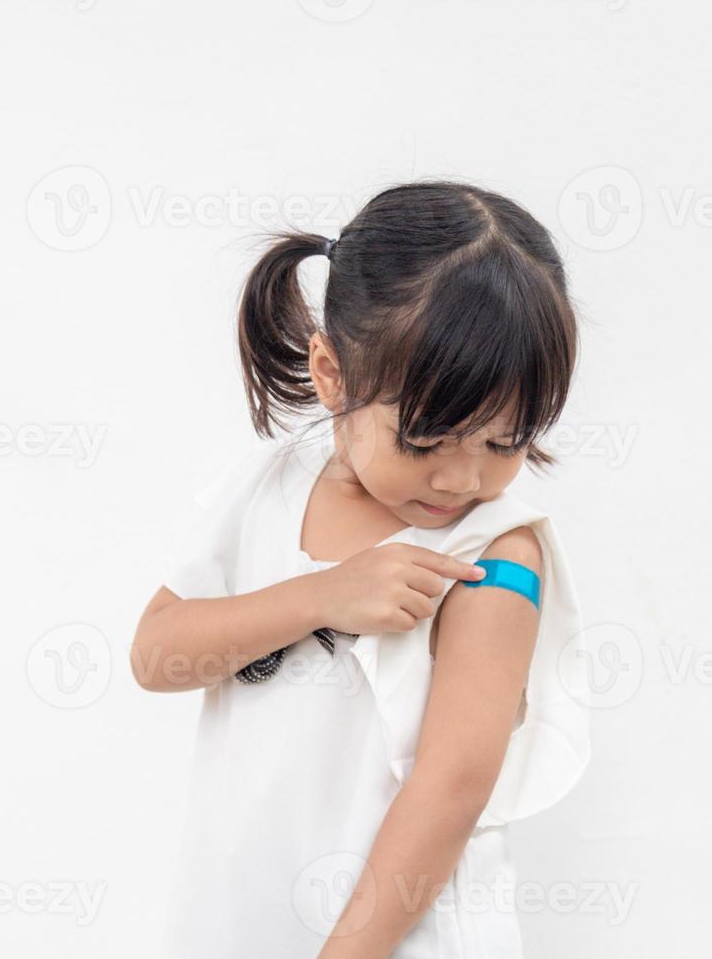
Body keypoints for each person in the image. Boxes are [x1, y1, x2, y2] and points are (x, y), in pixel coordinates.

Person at [130, 181, 593, 957]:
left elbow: (453, 786)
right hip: (245, 912)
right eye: (425, 440)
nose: (461, 480)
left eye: (504, 443)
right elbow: (157, 656)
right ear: (332, 373)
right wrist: (325, 596)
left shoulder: (496, 553)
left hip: (400, 935)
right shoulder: (265, 490)